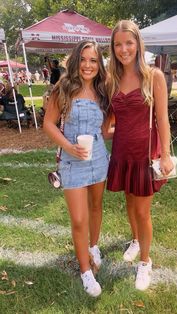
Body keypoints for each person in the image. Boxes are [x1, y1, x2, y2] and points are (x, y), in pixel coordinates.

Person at [106, 20, 173, 291]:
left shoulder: (153, 76)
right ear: (113, 48)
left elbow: (162, 119)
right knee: (130, 202)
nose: (124, 49)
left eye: (129, 43)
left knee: (143, 211)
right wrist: (102, 131)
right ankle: (135, 240)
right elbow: (110, 120)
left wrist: (166, 154)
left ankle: (145, 262)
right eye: (118, 44)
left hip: (145, 154)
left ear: (138, 44)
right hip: (122, 153)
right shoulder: (110, 79)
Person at [43, 40, 111, 297]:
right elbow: (48, 124)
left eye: (93, 60)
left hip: (98, 159)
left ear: (99, 64)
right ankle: (85, 272)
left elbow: (105, 129)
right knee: (79, 219)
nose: (87, 65)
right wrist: (69, 147)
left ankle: (93, 246)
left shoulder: (103, 90)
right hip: (72, 162)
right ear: (75, 60)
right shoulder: (64, 87)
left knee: (96, 207)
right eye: (83, 59)